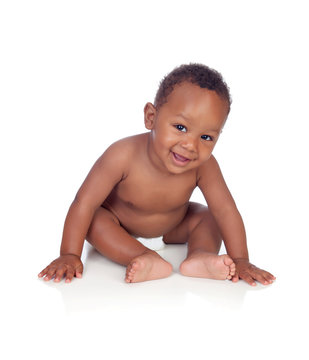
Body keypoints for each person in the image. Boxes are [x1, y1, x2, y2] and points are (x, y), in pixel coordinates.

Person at [38, 63, 276, 286]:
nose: (191, 145)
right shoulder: (122, 155)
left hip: (172, 227)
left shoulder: (205, 166)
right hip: (120, 227)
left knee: (210, 216)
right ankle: (143, 256)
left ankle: (199, 255)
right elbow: (85, 202)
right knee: (94, 219)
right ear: (151, 117)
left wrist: (241, 259)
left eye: (206, 137)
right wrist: (69, 254)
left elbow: (226, 210)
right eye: (180, 127)